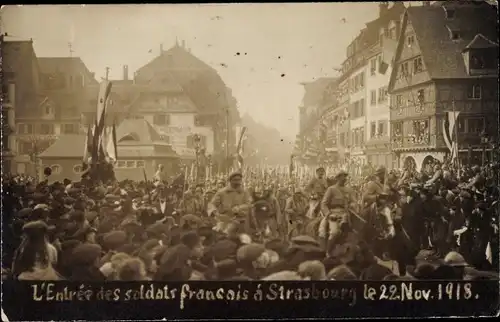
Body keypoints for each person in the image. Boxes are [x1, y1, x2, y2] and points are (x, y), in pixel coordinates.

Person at [319, 171, 356, 253]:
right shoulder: (331, 189)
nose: (345, 179)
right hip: (334, 214)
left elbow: (353, 201)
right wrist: (328, 214)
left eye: (345, 177)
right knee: (334, 232)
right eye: (343, 177)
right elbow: (324, 204)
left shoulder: (349, 190)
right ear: (338, 178)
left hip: (347, 213)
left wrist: (352, 205)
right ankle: (328, 252)